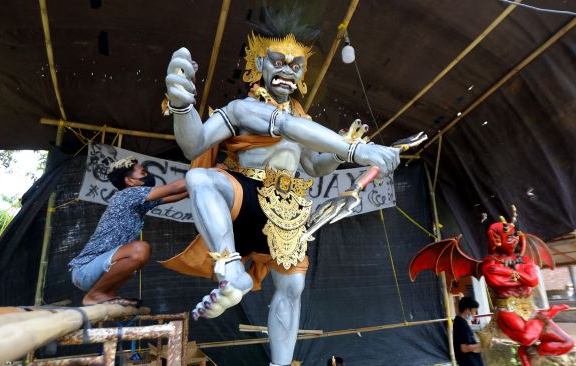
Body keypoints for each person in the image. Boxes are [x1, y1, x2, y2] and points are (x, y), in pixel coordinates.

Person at [161, 7, 400, 366]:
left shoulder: (303, 121)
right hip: (246, 197)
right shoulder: (244, 108)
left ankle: (281, 364)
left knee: (291, 292)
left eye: (296, 65)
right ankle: (230, 268)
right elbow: (195, 144)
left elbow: (312, 166)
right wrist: (182, 107)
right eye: (278, 61)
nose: (288, 70)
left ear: (303, 73)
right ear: (259, 64)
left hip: (288, 211)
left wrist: (338, 153)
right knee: (200, 178)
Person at [68, 156, 188, 306]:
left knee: (139, 254)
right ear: (130, 182)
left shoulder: (139, 203)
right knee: (140, 250)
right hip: (85, 271)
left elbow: (177, 195)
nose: (148, 176)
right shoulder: (128, 194)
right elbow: (174, 188)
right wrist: (207, 173)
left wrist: (200, 185)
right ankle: (95, 295)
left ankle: (107, 294)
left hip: (94, 272)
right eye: (143, 173)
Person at [453, 296, 484, 366]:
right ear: (467, 310)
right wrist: (483, 344)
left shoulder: (462, 322)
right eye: (474, 310)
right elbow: (464, 348)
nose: (475, 314)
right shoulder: (461, 324)